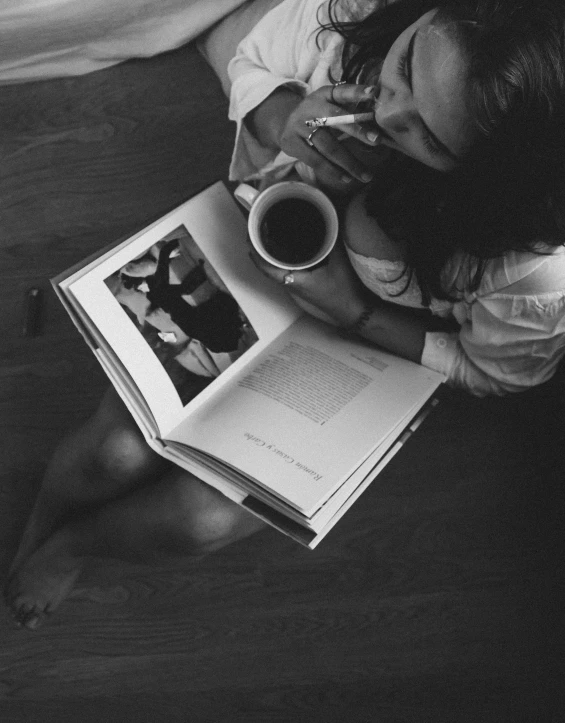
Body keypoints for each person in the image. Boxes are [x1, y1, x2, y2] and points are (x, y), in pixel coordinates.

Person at [5, 0, 565, 629]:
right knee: (111, 452)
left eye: (430, 137)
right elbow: (252, 53)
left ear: (493, 178)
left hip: (370, 351)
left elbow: (499, 373)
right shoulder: (363, 19)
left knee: (198, 520)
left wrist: (354, 313)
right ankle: (43, 522)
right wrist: (280, 115)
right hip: (256, 260)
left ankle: (72, 547)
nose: (386, 112)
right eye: (405, 65)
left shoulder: (534, 273)